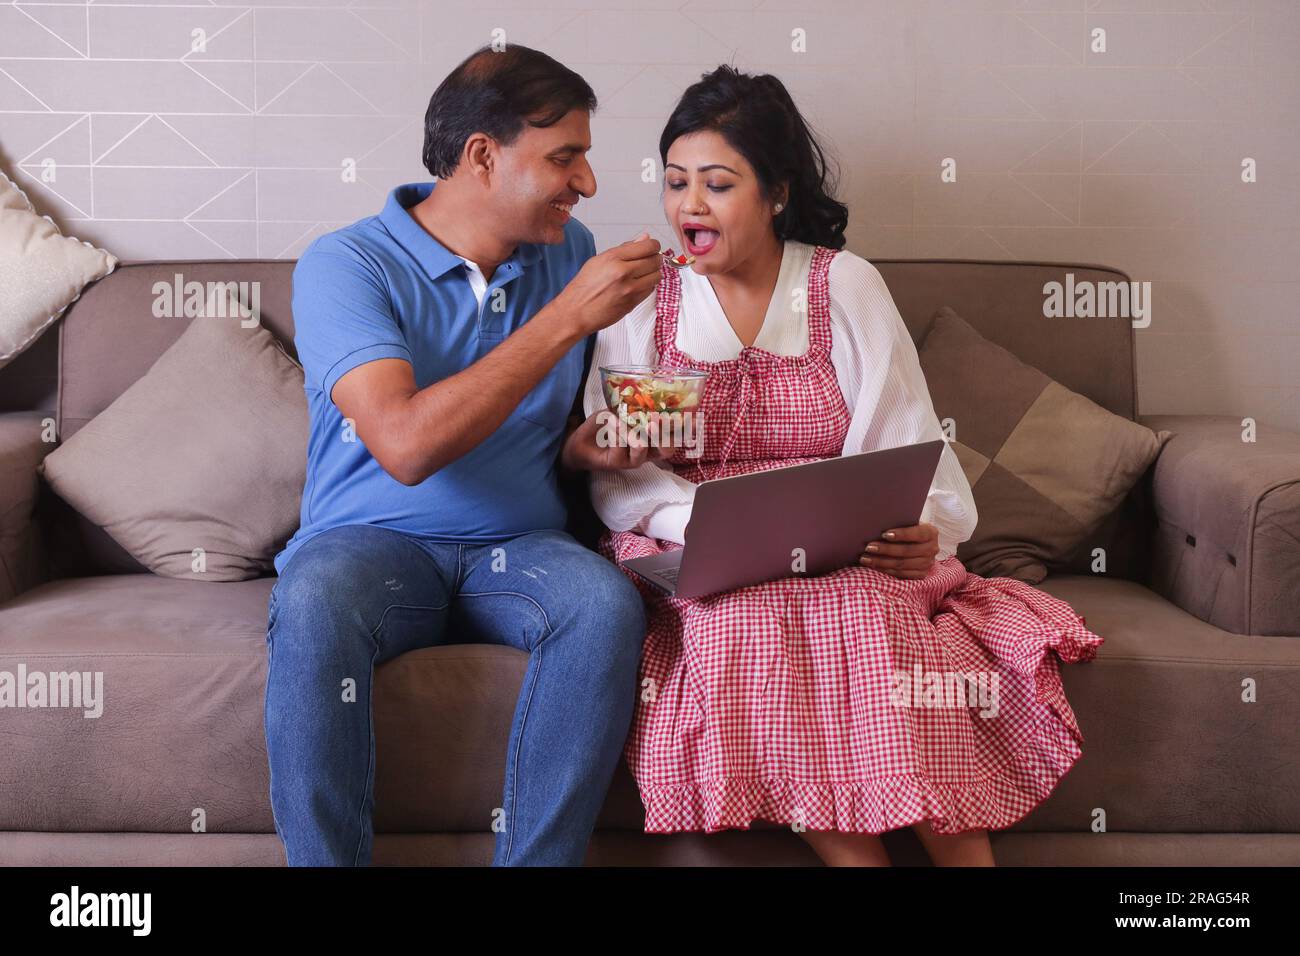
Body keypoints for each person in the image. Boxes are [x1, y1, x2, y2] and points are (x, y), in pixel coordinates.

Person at [575, 65, 1105, 866]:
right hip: (695, 542)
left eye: (717, 185)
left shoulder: (844, 286)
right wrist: (714, 525)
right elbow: (618, 478)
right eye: (676, 181)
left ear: (777, 192)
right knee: (746, 626)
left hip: (840, 547)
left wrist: (917, 530)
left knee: (865, 621)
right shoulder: (648, 299)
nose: (689, 205)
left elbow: (907, 446)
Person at [265, 44, 667, 867]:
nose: (586, 183)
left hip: (520, 550)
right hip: (371, 546)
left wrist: (586, 451)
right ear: (483, 156)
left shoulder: (568, 249)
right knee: (313, 601)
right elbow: (408, 446)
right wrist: (564, 318)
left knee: (602, 605)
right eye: (565, 158)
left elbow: (538, 429)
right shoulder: (347, 264)